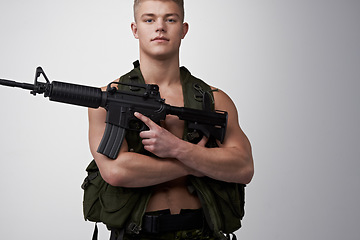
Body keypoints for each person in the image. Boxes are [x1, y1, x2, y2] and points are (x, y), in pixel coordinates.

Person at [87, 0, 254, 239]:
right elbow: (116, 170)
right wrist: (195, 164)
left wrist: (177, 147)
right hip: (138, 233)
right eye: (149, 19)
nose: (160, 27)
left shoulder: (215, 99)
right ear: (135, 29)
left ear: (183, 29)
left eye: (170, 19)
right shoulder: (106, 99)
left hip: (202, 233)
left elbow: (244, 167)